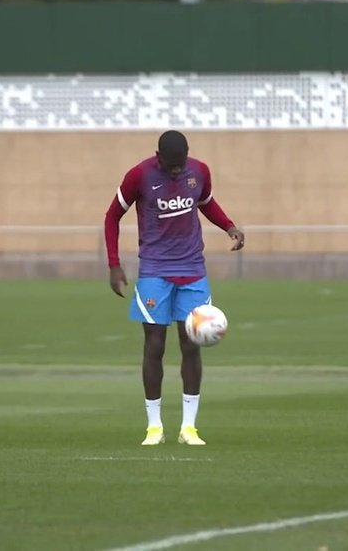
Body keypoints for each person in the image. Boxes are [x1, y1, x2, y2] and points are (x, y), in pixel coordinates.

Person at [104, 130, 245, 446]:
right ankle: (154, 427)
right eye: (171, 165)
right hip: (154, 269)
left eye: (181, 164)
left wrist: (229, 226)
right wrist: (114, 263)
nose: (178, 171)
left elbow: (206, 203)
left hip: (193, 269)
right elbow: (112, 215)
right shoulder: (139, 175)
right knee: (154, 344)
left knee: (191, 343)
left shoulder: (199, 171)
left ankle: (189, 428)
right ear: (158, 156)